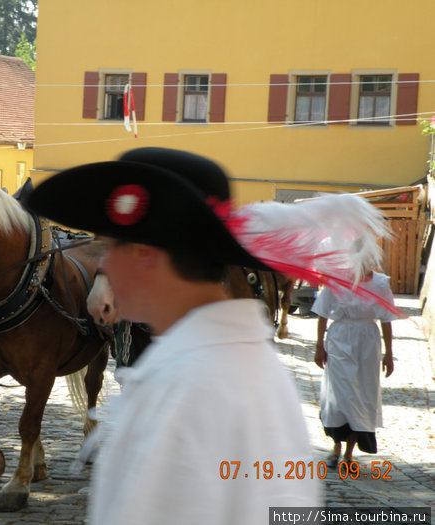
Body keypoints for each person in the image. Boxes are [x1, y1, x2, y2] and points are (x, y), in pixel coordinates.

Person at [26, 148, 326, 524]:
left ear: (143, 254)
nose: (103, 264)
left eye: (107, 248)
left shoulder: (188, 386)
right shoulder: (230, 362)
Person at [312, 268, 397, 467]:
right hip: (340, 338)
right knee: (340, 393)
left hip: (367, 341)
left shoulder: (381, 283)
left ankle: (349, 452)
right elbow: (322, 313)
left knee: (360, 394)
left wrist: (389, 353)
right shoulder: (336, 279)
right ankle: (336, 445)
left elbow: (386, 319)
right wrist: (319, 345)